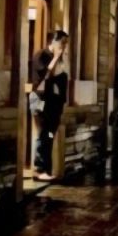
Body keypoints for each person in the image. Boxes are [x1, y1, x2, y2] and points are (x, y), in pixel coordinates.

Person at [31, 30, 70, 181]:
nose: (64, 46)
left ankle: (46, 168)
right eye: (62, 42)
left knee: (49, 134)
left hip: (53, 103)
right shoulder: (42, 55)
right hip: (39, 99)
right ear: (53, 42)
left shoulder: (60, 60)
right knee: (43, 131)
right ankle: (38, 168)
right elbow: (47, 74)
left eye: (66, 43)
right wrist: (56, 57)